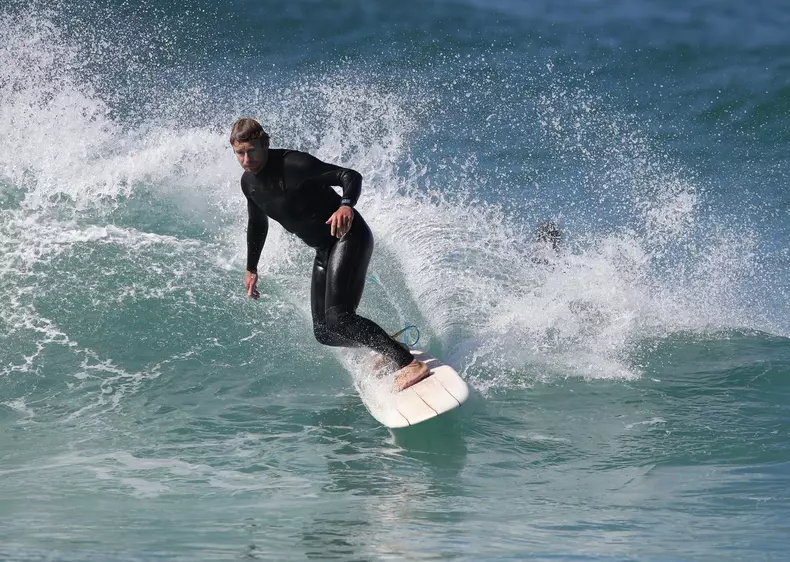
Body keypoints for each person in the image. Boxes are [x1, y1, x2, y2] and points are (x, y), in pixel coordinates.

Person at [230, 118, 430, 390]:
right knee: (324, 332)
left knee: (340, 317)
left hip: (349, 237)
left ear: (265, 144)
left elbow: (349, 176)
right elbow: (257, 224)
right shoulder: (249, 184)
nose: (246, 159)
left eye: (251, 151)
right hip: (324, 250)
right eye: (239, 153)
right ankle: (388, 346)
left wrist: (346, 205)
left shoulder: (294, 164)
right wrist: (251, 267)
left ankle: (408, 363)